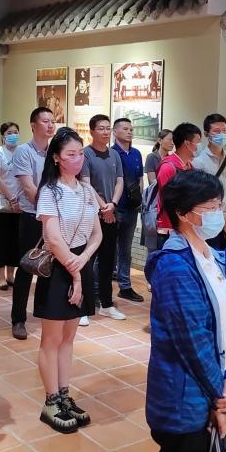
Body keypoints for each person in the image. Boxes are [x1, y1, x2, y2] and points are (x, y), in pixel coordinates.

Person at [145, 169, 226, 452]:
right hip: (183, 401)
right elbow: (193, 340)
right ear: (185, 213)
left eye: (219, 205)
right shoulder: (173, 266)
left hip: (211, 391)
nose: (219, 213)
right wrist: (219, 396)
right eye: (211, 207)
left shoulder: (211, 255)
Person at [34, 128, 102, 433]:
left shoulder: (86, 190)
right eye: (70, 154)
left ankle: (64, 394)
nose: (77, 159)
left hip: (80, 264)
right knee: (51, 339)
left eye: (80, 153)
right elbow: (52, 238)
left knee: (68, 339)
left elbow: (97, 233)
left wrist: (83, 262)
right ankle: (51, 401)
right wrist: (75, 273)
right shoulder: (50, 191)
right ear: (57, 158)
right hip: (59, 269)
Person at [10, 107, 57, 340]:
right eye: (45, 121)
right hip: (32, 217)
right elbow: (29, 189)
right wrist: (50, 208)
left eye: (53, 121)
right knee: (27, 267)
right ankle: (18, 319)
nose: (50, 125)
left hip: (54, 218)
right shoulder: (23, 152)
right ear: (33, 125)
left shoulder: (55, 151)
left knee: (52, 267)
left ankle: (46, 311)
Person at [82, 114, 126, 323]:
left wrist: (112, 205)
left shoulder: (115, 154)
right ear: (92, 131)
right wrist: (103, 207)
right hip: (92, 215)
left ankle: (107, 304)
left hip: (111, 213)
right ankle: (83, 306)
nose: (106, 132)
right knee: (87, 260)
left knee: (108, 261)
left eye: (108, 128)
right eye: (101, 128)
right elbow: (86, 184)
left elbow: (120, 181)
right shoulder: (85, 154)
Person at [193, 113, 226, 273]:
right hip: (210, 221)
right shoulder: (199, 161)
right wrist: (223, 223)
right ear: (207, 134)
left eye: (224, 130)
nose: (221, 134)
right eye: (216, 131)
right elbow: (201, 197)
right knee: (211, 264)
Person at [112, 117, 145, 302]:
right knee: (108, 248)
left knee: (126, 249)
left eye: (131, 129)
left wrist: (139, 200)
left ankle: (125, 285)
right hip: (115, 208)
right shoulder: (111, 153)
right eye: (125, 129)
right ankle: (99, 287)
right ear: (115, 131)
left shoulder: (136, 153)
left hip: (131, 208)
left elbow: (140, 179)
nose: (129, 132)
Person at [154, 122, 201, 248]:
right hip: (169, 228)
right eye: (198, 142)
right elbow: (168, 201)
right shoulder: (168, 167)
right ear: (187, 143)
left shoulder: (190, 166)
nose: (199, 146)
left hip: (186, 226)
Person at [0, 121, 22, 291]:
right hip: (1, 201)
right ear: (3, 136)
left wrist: (18, 199)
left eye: (15, 132)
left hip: (19, 202)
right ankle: (1, 277)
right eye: (9, 133)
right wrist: (11, 197)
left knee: (15, 239)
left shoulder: (22, 152)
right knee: (0, 239)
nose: (13, 135)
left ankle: (11, 275)